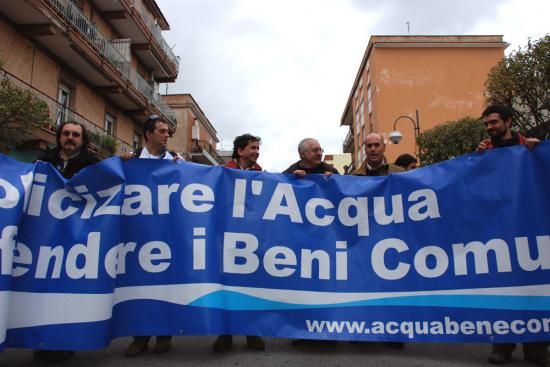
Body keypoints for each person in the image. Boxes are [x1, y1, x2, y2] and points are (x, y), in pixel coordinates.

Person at [478, 105, 547, 367]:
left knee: (532, 285)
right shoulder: (485, 152)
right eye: (487, 124)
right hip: (498, 231)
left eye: (494, 122)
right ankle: (502, 345)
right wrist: (476, 160)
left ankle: (537, 347)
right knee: (502, 287)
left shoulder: (530, 147)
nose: (490, 128)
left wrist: (539, 152)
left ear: (509, 121)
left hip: (529, 229)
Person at [34, 120, 100, 363]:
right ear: (59, 137)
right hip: (46, 238)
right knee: (43, 291)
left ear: (83, 140)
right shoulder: (43, 162)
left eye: (76, 135)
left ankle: (64, 341)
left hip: (77, 237)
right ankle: (42, 339)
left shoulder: (93, 164)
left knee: (69, 291)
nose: (70, 138)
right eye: (66, 134)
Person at [123, 115, 181, 357]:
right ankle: (140, 336)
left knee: (165, 285)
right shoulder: (130, 162)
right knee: (139, 286)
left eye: (168, 132)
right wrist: (120, 162)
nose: (167, 135)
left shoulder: (177, 163)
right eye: (162, 131)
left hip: (167, 234)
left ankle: (164, 335)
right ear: (148, 134)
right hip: (139, 234)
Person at [213, 134, 265, 352]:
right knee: (226, 286)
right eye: (252, 148)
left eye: (257, 148)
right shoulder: (223, 171)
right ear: (240, 150)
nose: (256, 152)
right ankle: (226, 333)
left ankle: (252, 332)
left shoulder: (260, 173)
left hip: (252, 238)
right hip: (226, 238)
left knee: (251, 287)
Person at [284, 138, 338, 348]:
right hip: (300, 242)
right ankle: (302, 331)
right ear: (302, 154)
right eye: (315, 150)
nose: (319, 153)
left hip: (326, 241)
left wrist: (335, 181)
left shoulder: (331, 170)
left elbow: (347, 194)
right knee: (303, 288)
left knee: (327, 287)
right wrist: (292, 180)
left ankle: (329, 332)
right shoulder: (290, 171)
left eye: (320, 149)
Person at [354, 133, 405, 350]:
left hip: (392, 238)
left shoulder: (400, 174)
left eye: (377, 145)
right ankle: (363, 331)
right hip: (364, 240)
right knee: (363, 285)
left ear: (384, 148)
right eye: (369, 146)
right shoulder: (354, 176)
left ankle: (392, 332)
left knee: (391, 286)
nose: (373, 149)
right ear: (365, 149)